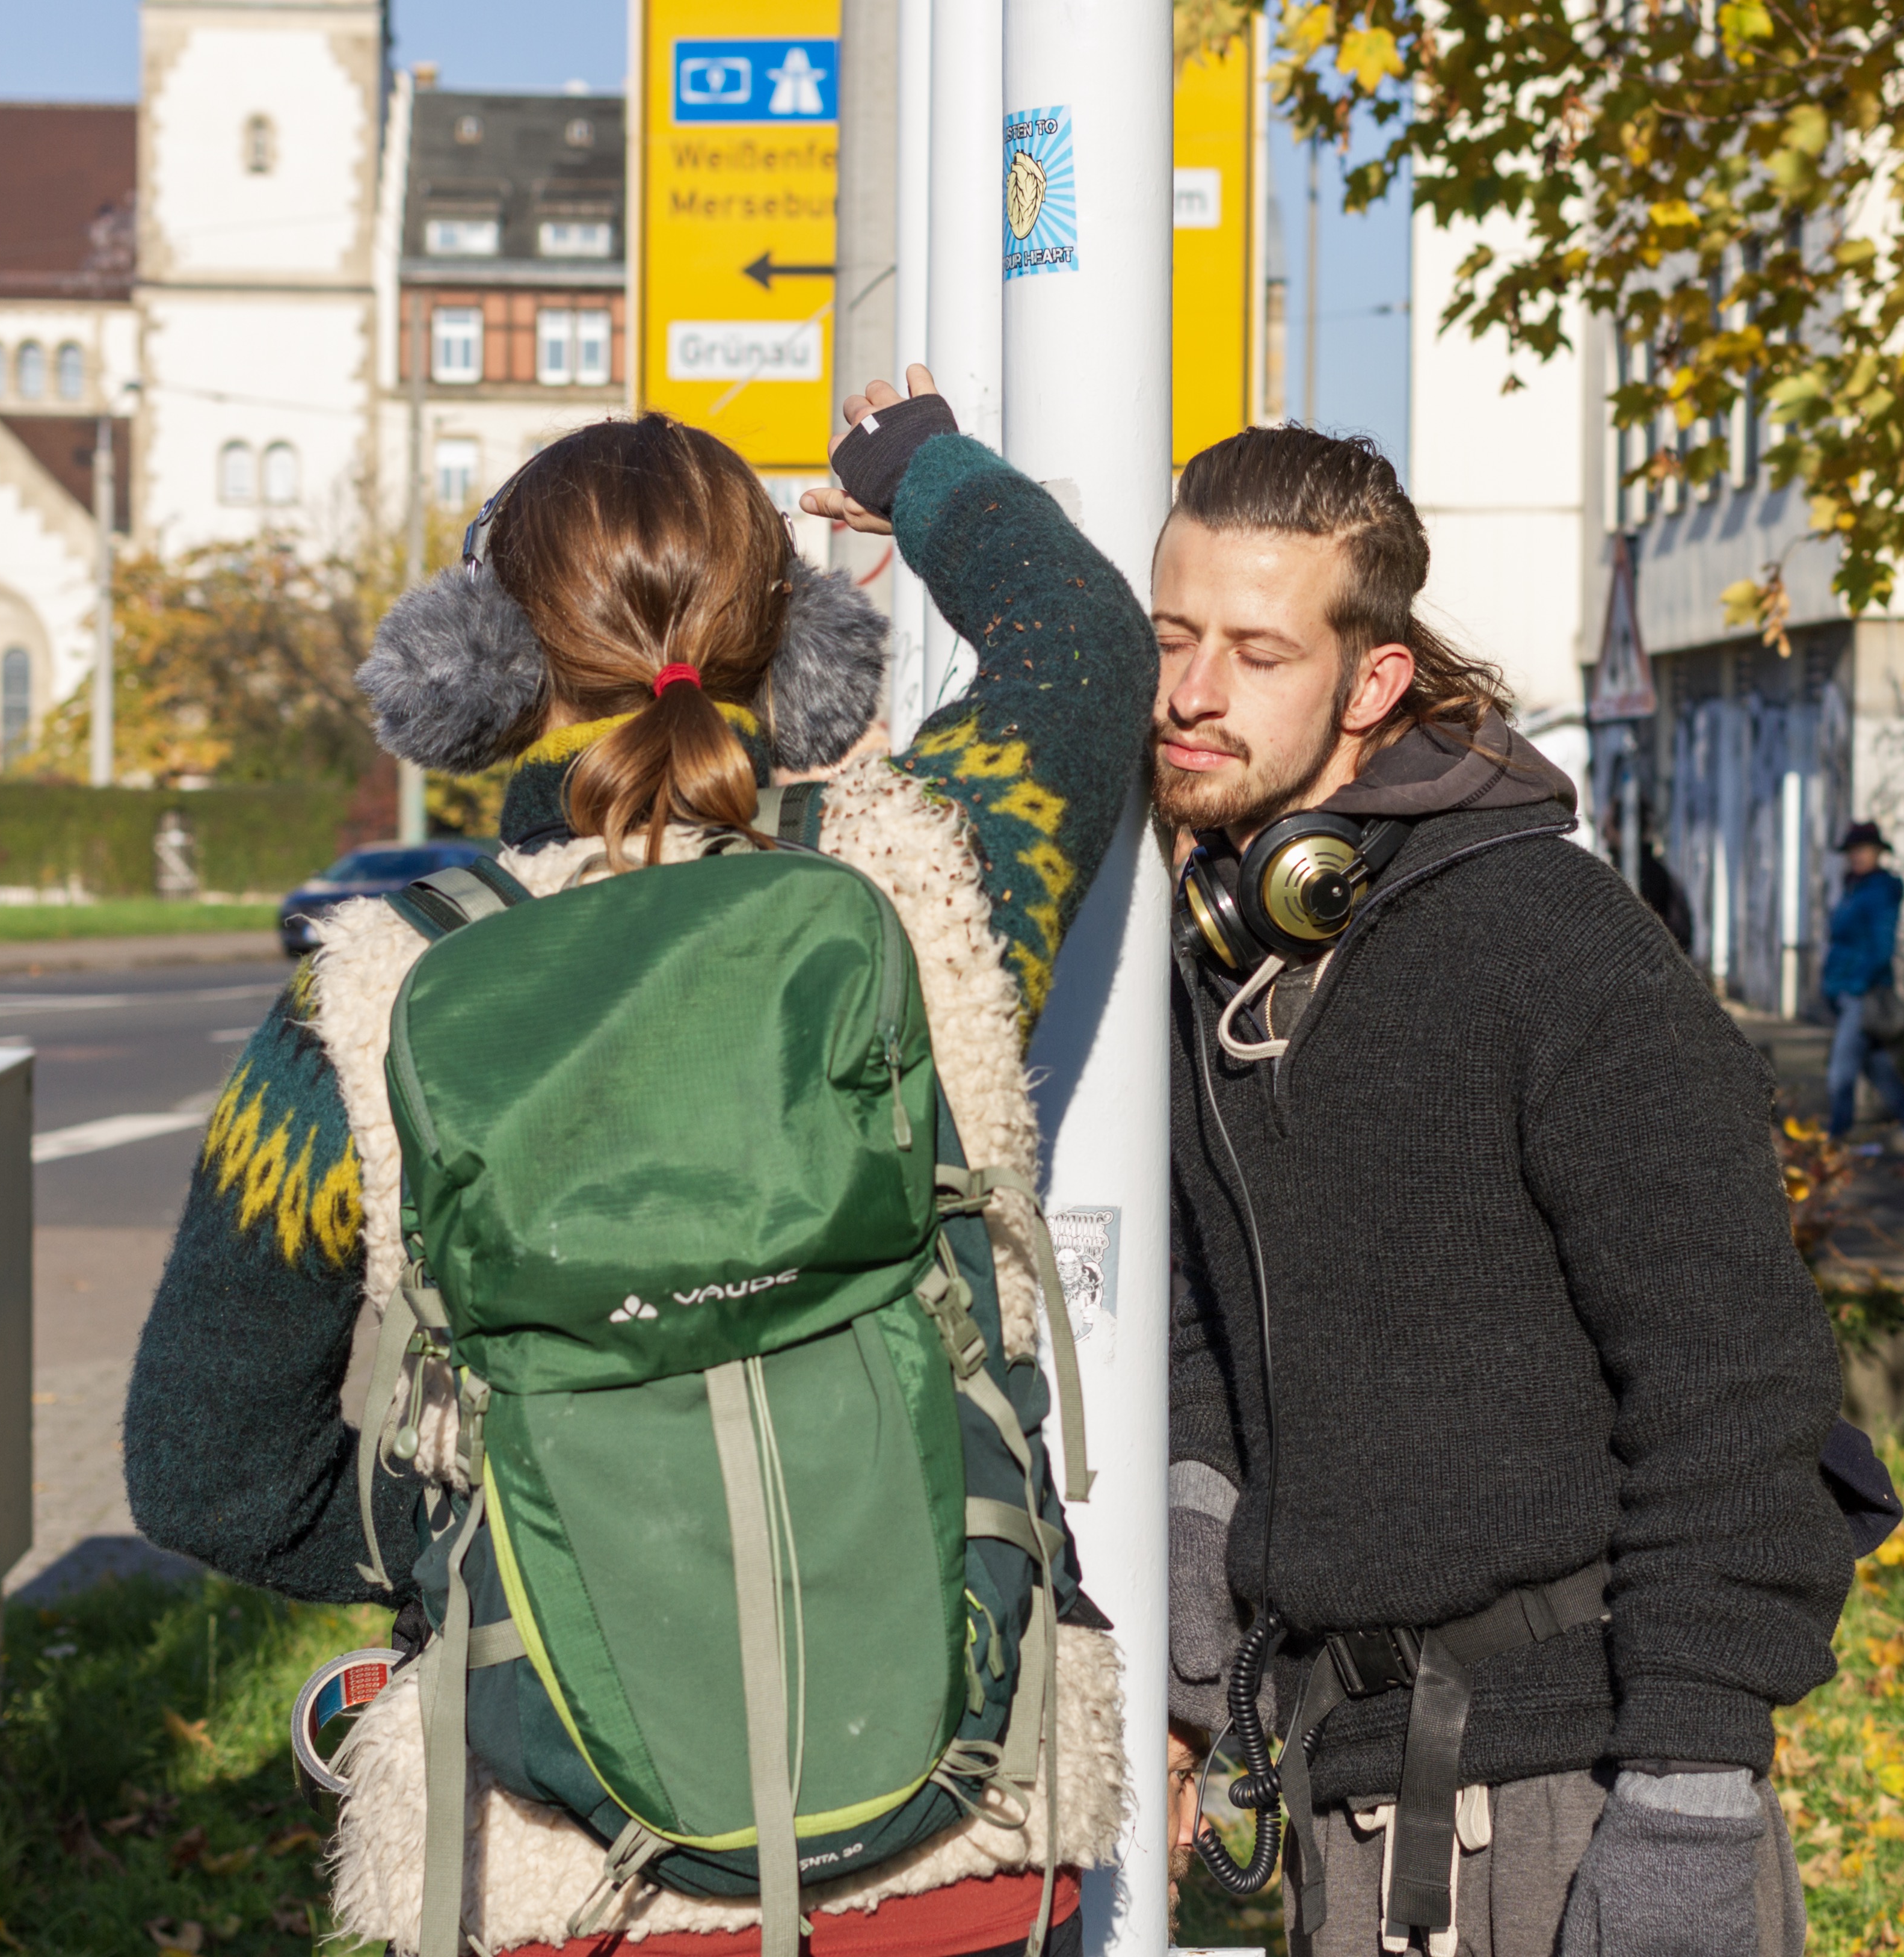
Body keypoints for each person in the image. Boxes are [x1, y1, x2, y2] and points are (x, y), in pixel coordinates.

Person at [123, 372, 1151, 1956]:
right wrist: (916, 463)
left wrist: (501, 1532)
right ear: (800, 651)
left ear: (473, 668)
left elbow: (207, 1470)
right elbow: (1082, 642)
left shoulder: (367, 994)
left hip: (569, 1859)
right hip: (960, 1834)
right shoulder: (928, 874)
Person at [1159, 428, 1853, 1957]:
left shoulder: (1551, 945)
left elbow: (1737, 1385)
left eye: (1256, 652)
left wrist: (1685, 1810)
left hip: (1576, 1799)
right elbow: (1205, 1322)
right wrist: (1189, 1665)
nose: (1192, 691)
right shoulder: (1224, 969)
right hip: (1347, 1795)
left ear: (1373, 683)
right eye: (1171, 637)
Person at [1817, 819, 1904, 1176]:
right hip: (1845, 994)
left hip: (1862, 997)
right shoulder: (1854, 889)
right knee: (1882, 1073)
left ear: (1878, 853)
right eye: (1852, 851)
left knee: (1840, 1076)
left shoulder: (1879, 892)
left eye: (1864, 850)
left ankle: (1834, 1153)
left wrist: (1854, 985)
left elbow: (1881, 948)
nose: (1858, 856)